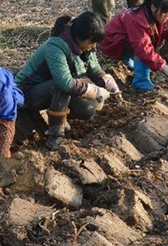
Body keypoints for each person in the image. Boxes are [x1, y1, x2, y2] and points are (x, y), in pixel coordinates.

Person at [16, 11, 118, 150]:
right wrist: (94, 91)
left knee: (87, 109)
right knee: (62, 87)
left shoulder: (84, 46)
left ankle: (61, 117)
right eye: (92, 42)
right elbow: (64, 83)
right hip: (26, 93)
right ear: (81, 37)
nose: (93, 46)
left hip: (50, 88)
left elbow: (93, 68)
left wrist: (105, 80)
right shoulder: (56, 46)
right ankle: (55, 135)